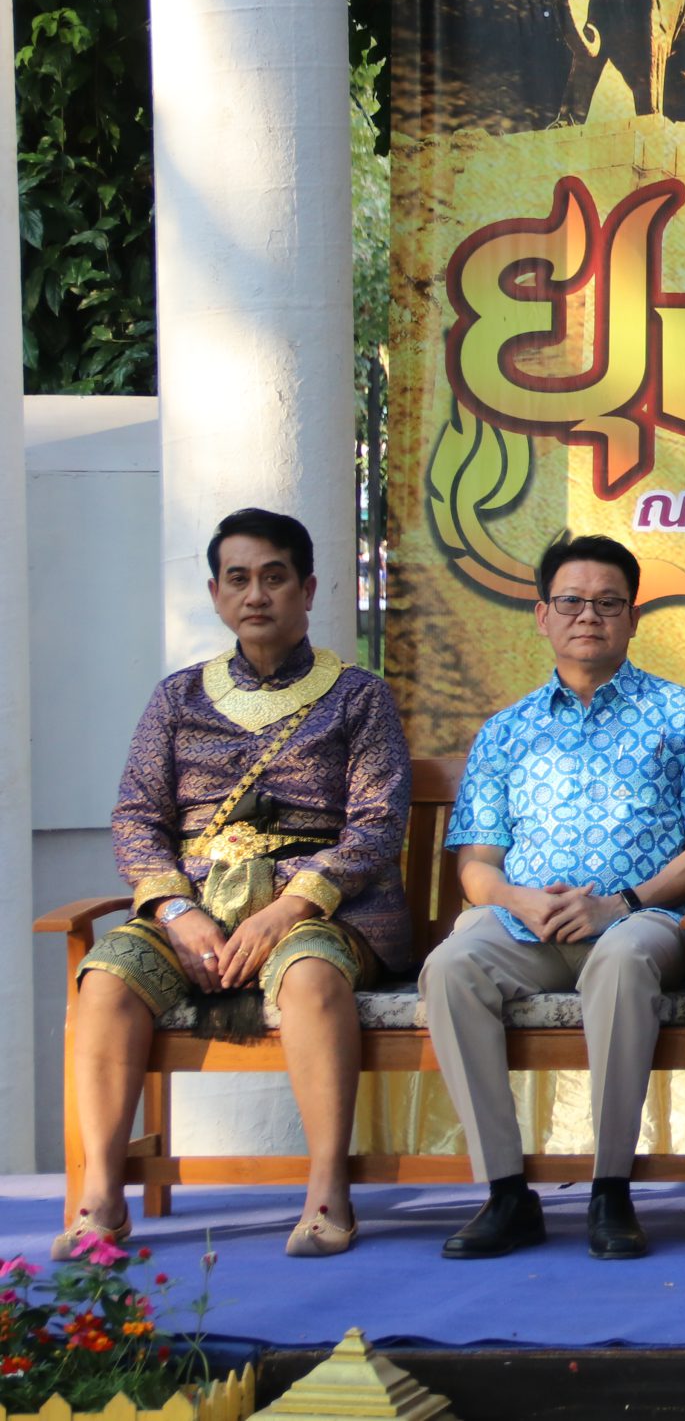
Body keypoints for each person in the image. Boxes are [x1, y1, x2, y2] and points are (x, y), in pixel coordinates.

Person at [62, 508, 412, 1259]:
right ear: (218, 595)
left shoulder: (359, 697)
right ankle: (100, 1196)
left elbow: (378, 825)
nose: (257, 594)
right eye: (239, 579)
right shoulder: (176, 699)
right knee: (107, 978)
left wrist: (288, 909)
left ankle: (326, 1193)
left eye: (275, 576)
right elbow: (133, 818)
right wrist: (178, 912)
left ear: (309, 588)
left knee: (314, 977)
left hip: (323, 908)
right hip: (195, 912)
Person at [420, 535, 685, 1260]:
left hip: (646, 922)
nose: (589, 617)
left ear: (633, 618)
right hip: (526, 927)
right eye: (571, 602)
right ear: (542, 615)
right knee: (450, 966)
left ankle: (611, 1189)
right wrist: (520, 899)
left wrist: (620, 904)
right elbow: (476, 864)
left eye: (609, 603)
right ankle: (506, 1193)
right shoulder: (506, 730)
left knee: (622, 957)